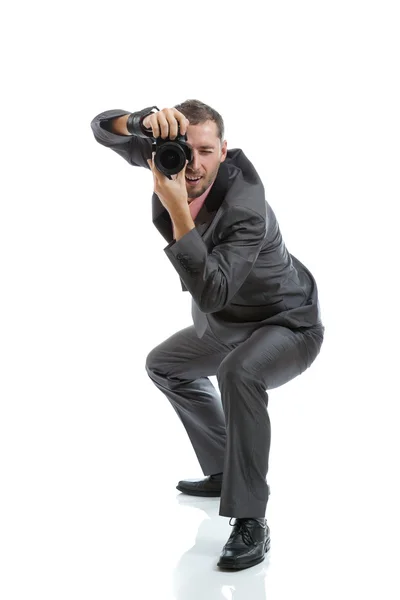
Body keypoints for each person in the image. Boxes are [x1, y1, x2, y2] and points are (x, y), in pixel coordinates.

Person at [90, 100, 325, 571]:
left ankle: (251, 520)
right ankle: (223, 468)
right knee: (166, 365)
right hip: (229, 325)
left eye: (205, 151)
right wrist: (137, 121)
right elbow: (100, 129)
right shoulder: (169, 156)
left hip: (287, 322)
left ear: (224, 151)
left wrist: (178, 210)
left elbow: (213, 291)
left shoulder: (246, 210)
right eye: (184, 149)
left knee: (238, 372)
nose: (192, 164)